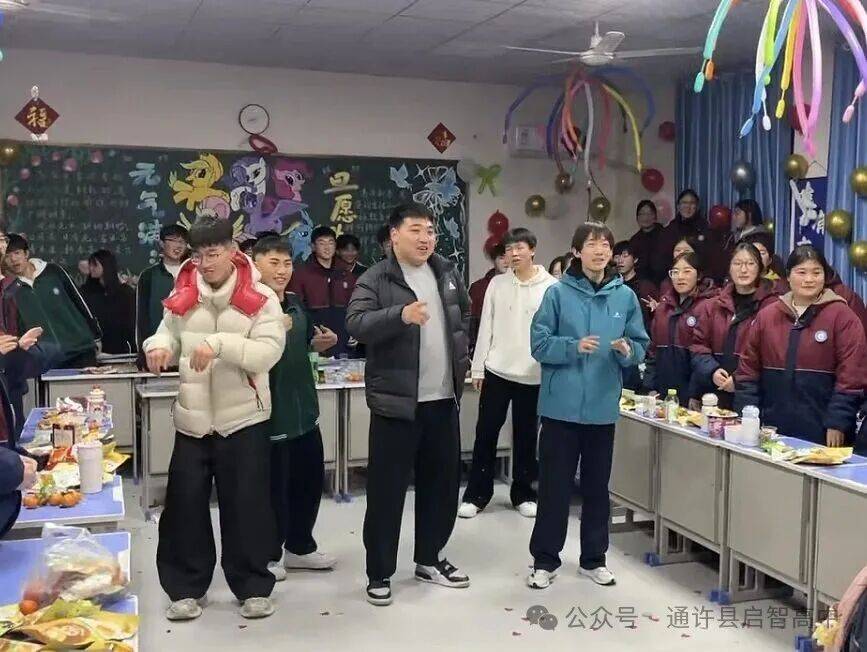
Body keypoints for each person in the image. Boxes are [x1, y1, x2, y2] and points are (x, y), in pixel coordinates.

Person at [143, 215, 285, 621]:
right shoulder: (185, 289)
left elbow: (267, 353)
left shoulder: (260, 295)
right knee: (184, 505)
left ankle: (253, 586)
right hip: (193, 417)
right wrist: (158, 347)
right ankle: (185, 588)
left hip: (243, 418)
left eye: (213, 254)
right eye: (199, 256)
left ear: (232, 251)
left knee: (246, 503)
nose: (205, 264)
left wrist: (220, 344)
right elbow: (167, 330)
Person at [346, 202, 471, 607]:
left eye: (430, 230)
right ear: (394, 234)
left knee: (442, 487)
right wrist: (399, 315)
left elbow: (463, 316)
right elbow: (356, 323)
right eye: (415, 230)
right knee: (387, 493)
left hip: (442, 401)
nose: (425, 238)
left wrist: (462, 360)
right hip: (396, 405)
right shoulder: (376, 277)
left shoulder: (446, 272)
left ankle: (430, 559)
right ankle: (379, 572)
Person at [527, 222, 648, 590]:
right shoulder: (557, 293)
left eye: (605, 245)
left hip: (601, 407)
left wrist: (629, 351)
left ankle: (594, 559)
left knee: (597, 488)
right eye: (592, 244)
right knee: (554, 488)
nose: (600, 250)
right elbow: (539, 345)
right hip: (560, 408)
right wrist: (572, 347)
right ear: (577, 251)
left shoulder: (625, 296)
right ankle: (545, 560)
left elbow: (640, 344)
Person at [251, 236, 338, 581]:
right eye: (273, 263)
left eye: (287, 263)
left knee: (308, 482)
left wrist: (320, 343)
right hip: (271, 415)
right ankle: (268, 553)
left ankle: (300, 547)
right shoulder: (248, 308)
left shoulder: (295, 303)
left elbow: (301, 346)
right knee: (273, 490)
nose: (282, 271)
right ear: (255, 264)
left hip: (305, 412)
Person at [459, 227, 555, 520]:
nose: (513, 254)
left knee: (526, 437)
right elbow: (485, 326)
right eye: (509, 249)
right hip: (497, 371)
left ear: (532, 250)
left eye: (519, 248)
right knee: (485, 433)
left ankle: (523, 493)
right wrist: (478, 367)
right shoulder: (497, 284)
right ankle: (476, 495)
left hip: (532, 374)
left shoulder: (551, 287)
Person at [736, 245, 866, 446]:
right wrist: (748, 416)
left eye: (816, 273)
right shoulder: (767, 316)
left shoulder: (843, 316)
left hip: (824, 431)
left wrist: (838, 422)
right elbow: (748, 371)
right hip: (770, 428)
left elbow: (852, 376)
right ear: (788, 276)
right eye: (801, 272)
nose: (809, 279)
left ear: (825, 276)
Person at [690, 244, 777, 409]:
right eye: (737, 263)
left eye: (750, 263)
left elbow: (771, 354)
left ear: (760, 268)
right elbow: (698, 347)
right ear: (729, 267)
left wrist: (738, 379)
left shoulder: (771, 307)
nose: (743, 270)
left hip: (754, 398)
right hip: (713, 394)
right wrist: (712, 371)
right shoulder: (713, 305)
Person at [3, 235, 101, 369]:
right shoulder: (9, 290)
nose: (13, 259)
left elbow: (80, 301)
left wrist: (96, 335)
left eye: (17, 253)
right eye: (7, 256)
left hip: (80, 349)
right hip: (45, 359)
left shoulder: (53, 271)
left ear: (26, 253)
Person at [644, 252, 717, 406]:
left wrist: (696, 394)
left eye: (687, 271)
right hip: (662, 393)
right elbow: (653, 351)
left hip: (694, 396)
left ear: (699, 275)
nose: (680, 277)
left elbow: (704, 354)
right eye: (675, 272)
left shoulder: (709, 306)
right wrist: (650, 387)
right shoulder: (663, 308)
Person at [289, 226, 355, 356]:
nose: (327, 247)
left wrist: (355, 330)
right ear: (313, 246)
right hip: (316, 337)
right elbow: (295, 309)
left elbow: (355, 305)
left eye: (331, 243)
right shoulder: (301, 274)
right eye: (322, 243)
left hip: (343, 337)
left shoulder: (346, 274)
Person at [136, 224, 189, 360]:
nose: (178, 246)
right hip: (158, 352)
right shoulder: (149, 276)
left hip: (188, 353)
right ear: (161, 243)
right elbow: (141, 318)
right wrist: (143, 354)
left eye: (182, 242)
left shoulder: (193, 273)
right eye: (173, 240)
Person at [614, 241, 657, 392]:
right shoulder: (612, 286)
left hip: (640, 348)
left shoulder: (646, 287)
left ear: (635, 259)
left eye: (625, 256)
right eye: (617, 256)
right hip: (616, 346)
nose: (620, 260)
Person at [656, 189, 727, 283]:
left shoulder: (706, 229)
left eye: (692, 203)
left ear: (697, 207)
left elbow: (715, 258)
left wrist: (707, 275)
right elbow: (661, 260)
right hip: (675, 278)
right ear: (678, 206)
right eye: (684, 203)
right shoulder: (669, 231)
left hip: (701, 279)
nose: (688, 207)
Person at [80, 250, 136, 355]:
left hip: (121, 349)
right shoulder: (86, 292)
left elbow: (131, 323)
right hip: (95, 349)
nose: (91, 268)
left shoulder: (125, 293)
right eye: (90, 265)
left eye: (95, 265)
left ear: (106, 266)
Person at [468, 242, 508, 355]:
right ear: (494, 260)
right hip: (483, 348)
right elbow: (471, 322)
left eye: (509, 258)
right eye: (501, 258)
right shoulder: (478, 288)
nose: (506, 262)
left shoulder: (520, 285)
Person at [629, 200, 666, 283]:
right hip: (641, 282)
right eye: (642, 214)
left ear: (655, 216)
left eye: (649, 214)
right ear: (637, 218)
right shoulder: (634, 240)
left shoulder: (665, 235)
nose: (645, 217)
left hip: (663, 281)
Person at [741, 231, 788, 295]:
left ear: (770, 260)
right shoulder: (737, 283)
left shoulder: (779, 287)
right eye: (752, 252)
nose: (757, 256)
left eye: (762, 253)